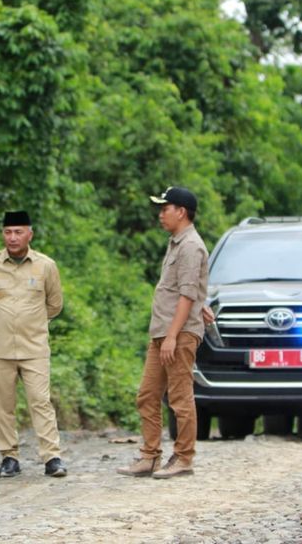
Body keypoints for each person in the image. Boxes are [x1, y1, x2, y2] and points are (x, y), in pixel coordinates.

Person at [118, 186, 209, 479]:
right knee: (147, 395)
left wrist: (172, 336)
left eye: (164, 208)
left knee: (180, 398)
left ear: (181, 212)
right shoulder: (176, 243)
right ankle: (150, 456)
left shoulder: (191, 245)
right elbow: (189, 291)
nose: (160, 215)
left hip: (177, 334)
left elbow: (186, 295)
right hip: (162, 332)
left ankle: (183, 458)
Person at [0, 211, 67, 478]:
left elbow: (55, 304)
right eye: (7, 232)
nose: (12, 237)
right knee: (2, 404)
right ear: (2, 234)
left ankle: (52, 458)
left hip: (34, 347)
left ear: (30, 234)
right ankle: (9, 457)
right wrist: (2, 323)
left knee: (41, 400)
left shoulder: (46, 266)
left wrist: (31, 322)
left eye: (18, 232)